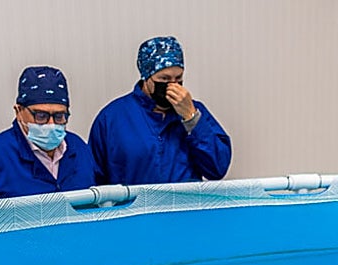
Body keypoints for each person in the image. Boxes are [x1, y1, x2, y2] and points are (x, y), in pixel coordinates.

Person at [88, 36, 231, 186]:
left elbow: (217, 169)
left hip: (184, 201)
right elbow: (95, 178)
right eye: (164, 79)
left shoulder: (196, 111)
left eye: (178, 78)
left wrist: (191, 119)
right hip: (134, 201)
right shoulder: (112, 118)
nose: (173, 85)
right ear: (146, 77)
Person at [0, 66, 96, 204]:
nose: (51, 124)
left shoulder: (79, 150)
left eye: (59, 116)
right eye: (41, 116)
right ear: (19, 111)